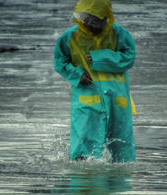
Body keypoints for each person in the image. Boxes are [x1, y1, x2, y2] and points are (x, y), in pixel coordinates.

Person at [54, 0, 136, 162]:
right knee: (83, 139)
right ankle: (82, 178)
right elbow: (60, 61)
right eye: (88, 21)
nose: (92, 26)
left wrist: (101, 57)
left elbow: (129, 57)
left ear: (106, 19)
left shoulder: (119, 34)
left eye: (96, 22)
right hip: (87, 98)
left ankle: (120, 179)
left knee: (121, 144)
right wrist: (77, 75)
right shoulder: (71, 37)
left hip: (116, 98)